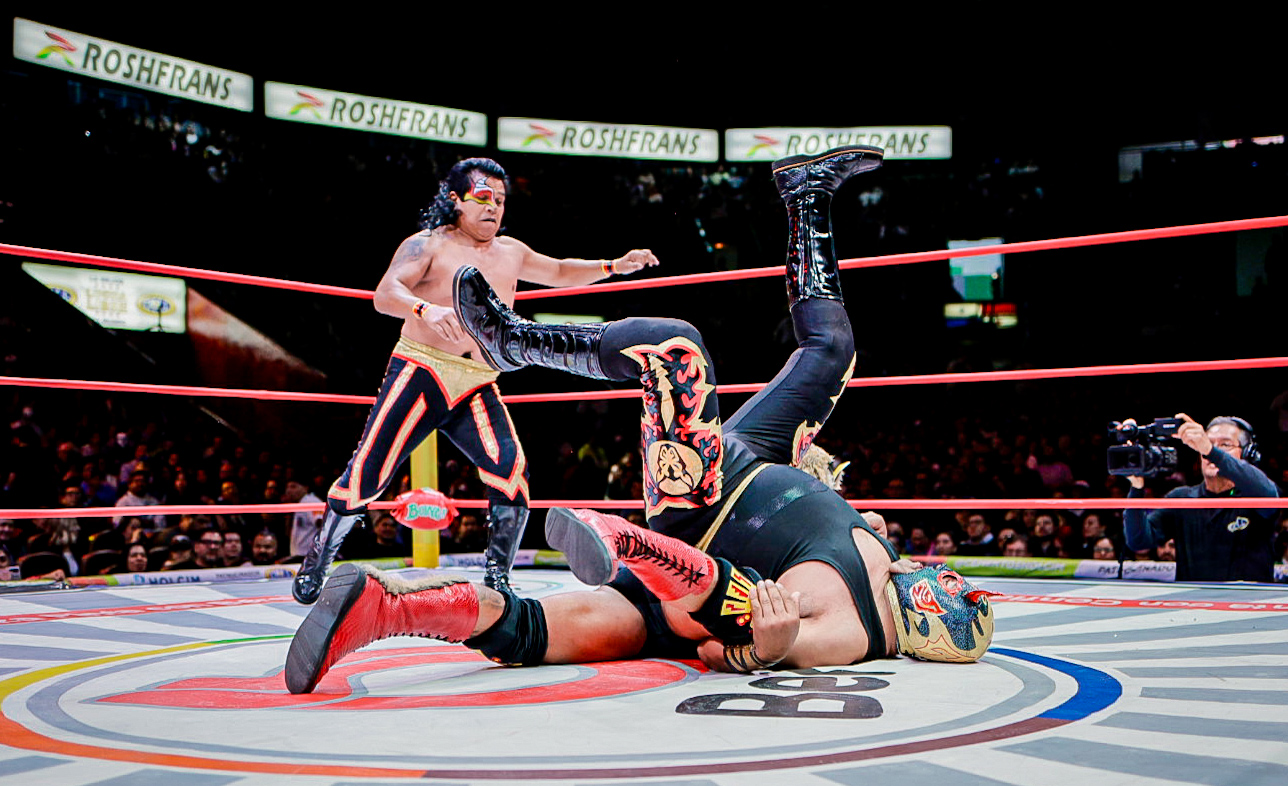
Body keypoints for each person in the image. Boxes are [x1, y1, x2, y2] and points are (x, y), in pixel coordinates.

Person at [285, 146, 996, 694]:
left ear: (933, 622)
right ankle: (807, 196)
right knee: (832, 352)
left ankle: (521, 354)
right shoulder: (884, 560)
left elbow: (718, 641)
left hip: (698, 520)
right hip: (747, 464)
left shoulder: (856, 629)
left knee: (675, 350)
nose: (953, 578)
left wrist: (769, 647)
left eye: (957, 595)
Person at [290, 156, 659, 605]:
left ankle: (498, 577)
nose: (493, 208)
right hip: (421, 369)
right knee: (367, 476)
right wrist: (425, 309)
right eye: (483, 197)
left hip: (478, 382)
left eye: (500, 200)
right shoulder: (428, 244)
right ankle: (317, 563)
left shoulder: (511, 251)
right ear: (455, 199)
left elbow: (559, 272)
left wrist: (613, 265)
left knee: (511, 474)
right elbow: (385, 294)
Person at [1123, 414, 1280, 582]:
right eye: (1207, 443)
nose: (1209, 450)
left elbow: (1268, 496)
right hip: (1195, 598)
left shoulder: (1255, 494)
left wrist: (1211, 451)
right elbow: (1138, 540)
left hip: (1247, 598)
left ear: (1247, 454)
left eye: (1225, 444)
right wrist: (1136, 487)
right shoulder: (1181, 499)